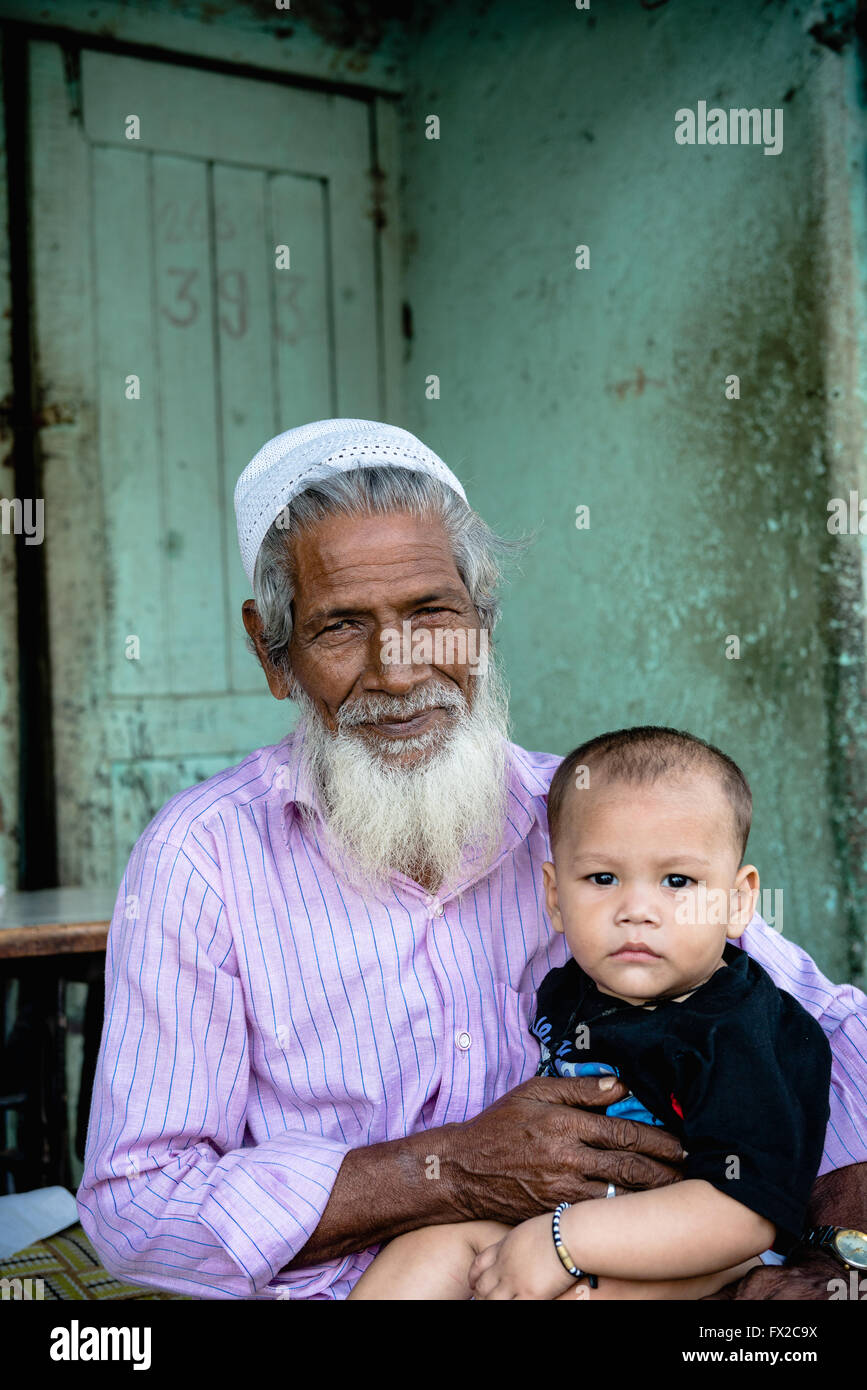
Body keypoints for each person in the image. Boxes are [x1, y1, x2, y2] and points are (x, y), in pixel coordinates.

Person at [77, 419, 867, 1299]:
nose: (399, 669)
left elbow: (825, 1030)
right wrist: (444, 1171)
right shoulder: (204, 858)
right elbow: (137, 1209)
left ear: (481, 623)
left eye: (431, 613)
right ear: (274, 650)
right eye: (341, 625)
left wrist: (818, 1242)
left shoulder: (586, 821)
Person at [348, 726, 832, 1299]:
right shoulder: (569, 989)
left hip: (702, 1252)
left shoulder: (739, 1030)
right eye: (602, 878)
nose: (636, 910)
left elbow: (743, 1217)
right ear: (556, 898)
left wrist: (564, 1242)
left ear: (737, 902)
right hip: (560, 1221)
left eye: (677, 880)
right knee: (432, 1247)